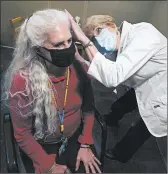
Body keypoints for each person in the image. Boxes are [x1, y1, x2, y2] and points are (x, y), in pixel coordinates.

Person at [3, 9, 102, 173]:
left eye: (70, 41)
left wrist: (85, 143)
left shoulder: (79, 68)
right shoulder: (23, 81)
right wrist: (48, 164)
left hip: (75, 138)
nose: (68, 48)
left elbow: (89, 108)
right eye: (58, 44)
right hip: (41, 145)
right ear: (38, 48)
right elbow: (22, 134)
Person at [65, 11, 167, 164]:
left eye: (98, 31)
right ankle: (112, 118)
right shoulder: (117, 49)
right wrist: (80, 60)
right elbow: (102, 69)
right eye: (93, 38)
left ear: (112, 26)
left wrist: (84, 39)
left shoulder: (143, 34)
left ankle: (120, 154)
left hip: (162, 90)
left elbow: (112, 76)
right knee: (123, 104)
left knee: (142, 126)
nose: (97, 39)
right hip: (145, 83)